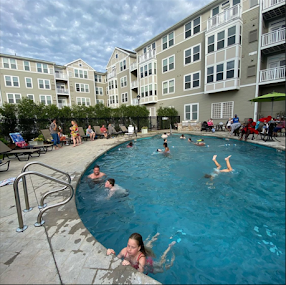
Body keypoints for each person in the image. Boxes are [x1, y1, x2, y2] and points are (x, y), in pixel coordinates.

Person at [106, 233, 176, 274]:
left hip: (148, 264)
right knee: (146, 247)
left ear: (138, 248)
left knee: (161, 265)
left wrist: (129, 266)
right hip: (138, 258)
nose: (129, 249)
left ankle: (169, 248)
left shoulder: (141, 258)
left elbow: (140, 272)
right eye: (128, 245)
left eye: (132, 247)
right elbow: (116, 259)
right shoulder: (124, 251)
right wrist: (112, 253)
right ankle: (153, 238)